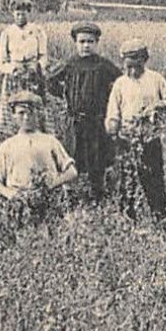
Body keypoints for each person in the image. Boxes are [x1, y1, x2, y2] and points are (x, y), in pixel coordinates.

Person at [105, 37, 166, 220]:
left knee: (154, 176)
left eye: (135, 66)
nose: (132, 71)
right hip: (127, 137)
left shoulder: (155, 79)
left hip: (149, 137)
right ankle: (127, 215)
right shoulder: (120, 84)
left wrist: (158, 107)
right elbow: (113, 111)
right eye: (128, 67)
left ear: (144, 60)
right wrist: (113, 128)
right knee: (127, 178)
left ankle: (159, 215)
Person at [46, 22, 121, 201]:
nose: (86, 45)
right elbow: (50, 81)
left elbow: (120, 83)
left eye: (90, 41)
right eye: (82, 42)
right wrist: (65, 95)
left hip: (97, 121)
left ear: (96, 43)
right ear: (75, 43)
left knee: (97, 157)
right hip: (76, 121)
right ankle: (71, 193)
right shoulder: (70, 63)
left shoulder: (103, 65)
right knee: (72, 156)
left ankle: (98, 192)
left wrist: (110, 99)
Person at [0, 92, 78, 222]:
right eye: (21, 113)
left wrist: (51, 184)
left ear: (39, 114)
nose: (26, 117)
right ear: (13, 116)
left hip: (49, 201)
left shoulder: (50, 141)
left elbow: (72, 172)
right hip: (19, 203)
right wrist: (10, 194)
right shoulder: (7, 146)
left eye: (31, 113)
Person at [0, 0, 48, 125]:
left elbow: (44, 55)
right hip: (14, 76)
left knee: (33, 106)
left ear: (28, 13)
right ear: (13, 13)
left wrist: (37, 67)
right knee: (13, 107)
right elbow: (1, 61)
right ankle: (10, 131)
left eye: (23, 14)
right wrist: (12, 69)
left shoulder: (37, 31)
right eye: (17, 13)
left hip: (33, 75)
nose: (20, 17)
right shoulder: (7, 33)